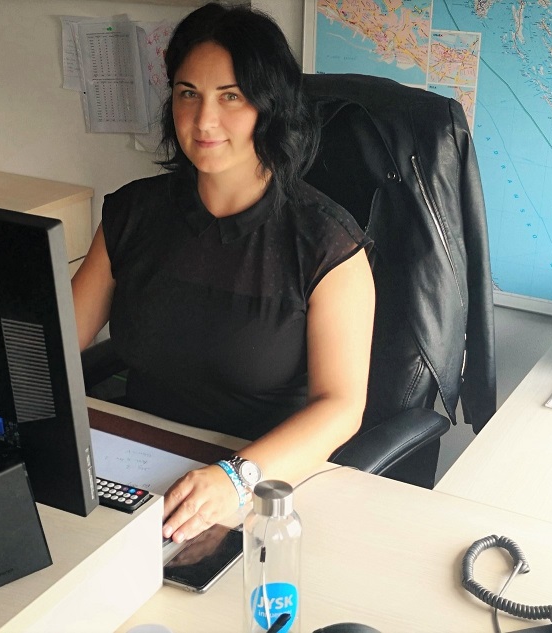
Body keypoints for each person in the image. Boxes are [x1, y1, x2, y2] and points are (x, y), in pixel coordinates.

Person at [72, 3, 375, 544]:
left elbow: (342, 407)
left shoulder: (327, 244)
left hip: (264, 483)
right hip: (141, 469)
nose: (203, 120)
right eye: (188, 93)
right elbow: (55, 345)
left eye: (230, 96)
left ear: (269, 106)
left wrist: (236, 479)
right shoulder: (132, 214)